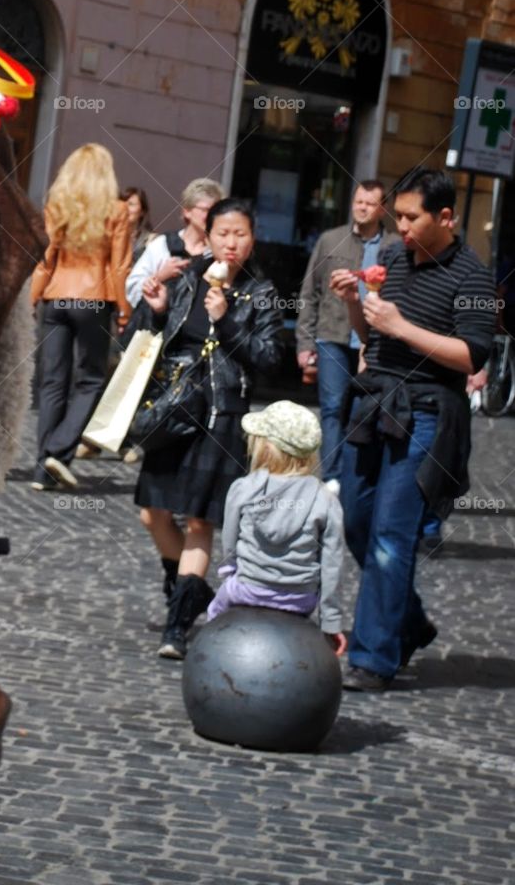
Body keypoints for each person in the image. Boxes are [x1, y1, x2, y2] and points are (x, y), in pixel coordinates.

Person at [330, 168, 496, 692]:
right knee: (354, 519)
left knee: (391, 535)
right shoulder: (391, 259)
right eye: (394, 216)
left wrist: (402, 326)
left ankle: (374, 657)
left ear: (445, 217)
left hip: (427, 411)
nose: (398, 226)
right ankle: (409, 621)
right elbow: (371, 336)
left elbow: (472, 354)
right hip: (374, 403)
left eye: (409, 217)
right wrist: (356, 304)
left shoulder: (473, 276)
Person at [132, 198, 284, 659]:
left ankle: (177, 624)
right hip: (174, 409)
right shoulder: (189, 277)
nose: (231, 242)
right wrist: (157, 310)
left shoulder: (261, 292)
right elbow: (156, 338)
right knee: (152, 512)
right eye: (223, 233)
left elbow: (271, 358)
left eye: (240, 234)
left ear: (252, 237)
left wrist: (227, 321)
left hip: (223, 415)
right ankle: (187, 586)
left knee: (199, 520)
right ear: (209, 233)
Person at [206, 401, 347, 656]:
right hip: (300, 599)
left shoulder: (243, 488)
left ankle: (213, 651)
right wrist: (330, 623)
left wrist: (230, 570)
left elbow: (230, 539)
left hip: (246, 589)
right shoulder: (326, 501)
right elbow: (332, 564)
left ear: (266, 448)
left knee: (214, 613)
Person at [30, 144, 132, 491]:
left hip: (55, 297)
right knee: (90, 380)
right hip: (93, 300)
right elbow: (119, 266)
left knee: (51, 382)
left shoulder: (58, 206)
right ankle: (58, 450)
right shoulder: (118, 211)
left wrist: (32, 298)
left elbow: (46, 258)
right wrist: (124, 307)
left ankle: (43, 468)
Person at [295, 180, 398, 488]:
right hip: (333, 336)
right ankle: (333, 478)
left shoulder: (393, 247)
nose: (362, 207)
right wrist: (304, 342)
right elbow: (309, 293)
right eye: (358, 201)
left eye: (369, 203)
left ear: (383, 209)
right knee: (332, 406)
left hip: (374, 341)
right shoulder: (331, 240)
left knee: (364, 410)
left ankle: (359, 479)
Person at [125, 178, 225, 309]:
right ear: (187, 211)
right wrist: (160, 276)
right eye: (206, 210)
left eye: (216, 211)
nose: (211, 216)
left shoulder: (219, 252)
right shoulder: (163, 244)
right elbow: (132, 288)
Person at [121, 186, 153, 264]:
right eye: (122, 203)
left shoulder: (151, 241)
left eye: (131, 204)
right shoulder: (109, 237)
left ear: (142, 211)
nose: (125, 208)